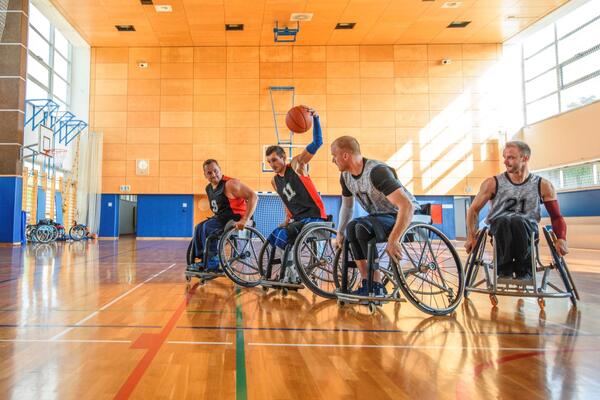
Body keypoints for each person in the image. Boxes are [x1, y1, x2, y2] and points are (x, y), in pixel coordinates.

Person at [465, 140, 568, 281]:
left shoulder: (543, 185)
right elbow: (473, 210)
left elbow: (556, 217)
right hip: (500, 232)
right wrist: (471, 237)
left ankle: (525, 269)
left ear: (525, 158)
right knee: (504, 219)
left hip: (528, 233)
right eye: (504, 157)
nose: (505, 162)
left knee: (517, 219)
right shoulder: (492, 183)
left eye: (511, 157)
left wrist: (561, 238)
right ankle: (504, 269)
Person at [331, 136, 421, 296]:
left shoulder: (377, 171)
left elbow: (406, 206)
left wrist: (394, 240)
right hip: (378, 217)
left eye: (334, 155)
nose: (333, 160)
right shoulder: (345, 177)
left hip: (402, 214)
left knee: (362, 228)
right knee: (352, 228)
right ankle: (368, 282)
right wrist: (340, 232)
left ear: (345, 156)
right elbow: (347, 206)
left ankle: (377, 284)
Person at [265, 106, 327, 250]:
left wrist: (316, 119)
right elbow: (286, 202)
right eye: (269, 161)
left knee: (286, 235)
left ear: (283, 158)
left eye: (274, 160)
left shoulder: (295, 166)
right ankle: (287, 267)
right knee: (275, 235)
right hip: (298, 220)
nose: (271, 164)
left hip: (314, 217)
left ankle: (291, 269)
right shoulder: (274, 181)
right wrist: (287, 219)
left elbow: (317, 142)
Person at [188, 159, 258, 272]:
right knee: (198, 227)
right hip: (221, 218)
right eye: (209, 173)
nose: (213, 174)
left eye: (215, 171)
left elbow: (253, 196)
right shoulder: (209, 188)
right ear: (205, 175)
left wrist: (245, 219)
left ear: (220, 170)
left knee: (208, 227)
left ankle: (212, 262)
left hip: (236, 218)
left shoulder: (230, 184)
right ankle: (203, 259)